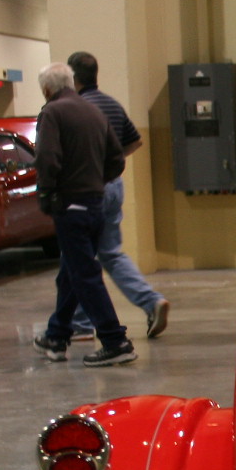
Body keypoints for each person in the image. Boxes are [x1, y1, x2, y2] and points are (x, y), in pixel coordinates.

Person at [31, 62, 134, 367]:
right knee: (71, 272)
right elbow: (117, 158)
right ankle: (57, 336)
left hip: (70, 205)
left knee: (85, 275)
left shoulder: (52, 112)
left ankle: (115, 340)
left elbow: (47, 157)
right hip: (95, 203)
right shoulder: (94, 111)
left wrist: (47, 193)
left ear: (47, 89)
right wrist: (96, 181)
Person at [65, 51, 169, 339]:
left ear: (74, 78)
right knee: (110, 253)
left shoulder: (79, 108)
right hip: (114, 186)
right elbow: (135, 141)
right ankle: (151, 301)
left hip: (89, 190)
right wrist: (112, 164)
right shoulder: (111, 103)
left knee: (78, 256)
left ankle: (82, 324)